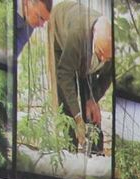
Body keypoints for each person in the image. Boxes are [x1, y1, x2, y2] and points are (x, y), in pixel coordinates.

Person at [48, 2, 113, 130]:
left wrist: (93, 99)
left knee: (90, 101)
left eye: (108, 57)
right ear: (94, 35)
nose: (103, 59)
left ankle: (95, 145)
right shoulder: (77, 34)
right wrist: (77, 116)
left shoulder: (109, 47)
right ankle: (71, 141)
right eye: (100, 54)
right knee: (67, 99)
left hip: (87, 46)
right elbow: (64, 74)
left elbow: (107, 77)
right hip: (60, 27)